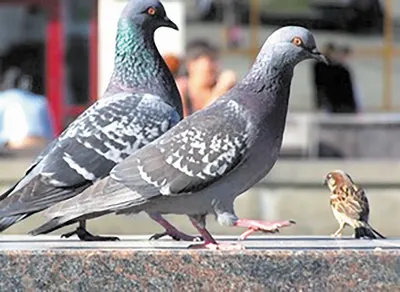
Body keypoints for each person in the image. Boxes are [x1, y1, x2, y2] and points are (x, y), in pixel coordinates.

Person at [176, 40, 237, 117]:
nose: (215, 66)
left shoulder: (224, 89)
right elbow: (186, 124)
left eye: (216, 60)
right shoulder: (181, 89)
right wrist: (220, 90)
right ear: (191, 64)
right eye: (211, 60)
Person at [0, 68, 55, 150]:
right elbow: (51, 132)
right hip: (39, 144)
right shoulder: (41, 101)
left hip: (10, 146)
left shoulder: (3, 99)